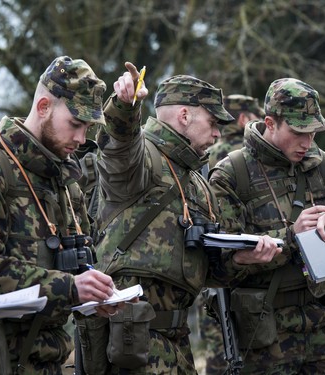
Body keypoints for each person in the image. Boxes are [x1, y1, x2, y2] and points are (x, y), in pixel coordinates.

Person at [81, 62, 281, 375]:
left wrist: (245, 258)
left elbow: (205, 267)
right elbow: (119, 147)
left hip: (177, 343)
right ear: (184, 116)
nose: (218, 132)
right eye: (213, 121)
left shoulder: (197, 182)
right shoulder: (142, 159)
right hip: (129, 342)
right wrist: (125, 106)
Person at [0, 56, 119, 374]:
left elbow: (75, 262)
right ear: (44, 106)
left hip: (53, 358)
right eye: (75, 124)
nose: (81, 138)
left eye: (88, 128)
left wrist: (97, 292)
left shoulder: (63, 181)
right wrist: (69, 287)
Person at [208, 77, 325, 374]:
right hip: (264, 337)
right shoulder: (233, 174)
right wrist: (291, 236)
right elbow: (217, 265)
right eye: (297, 132)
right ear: (270, 122)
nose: (307, 143)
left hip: (323, 330)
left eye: (313, 132)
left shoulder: (322, 166)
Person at [199, 93, 265, 374]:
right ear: (244, 119)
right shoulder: (250, 156)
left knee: (219, 342)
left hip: (214, 259)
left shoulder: (205, 152)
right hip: (254, 260)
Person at [207, 94, 265, 169]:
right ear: (243, 119)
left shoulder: (207, 154)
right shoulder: (256, 151)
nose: (261, 121)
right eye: (258, 117)